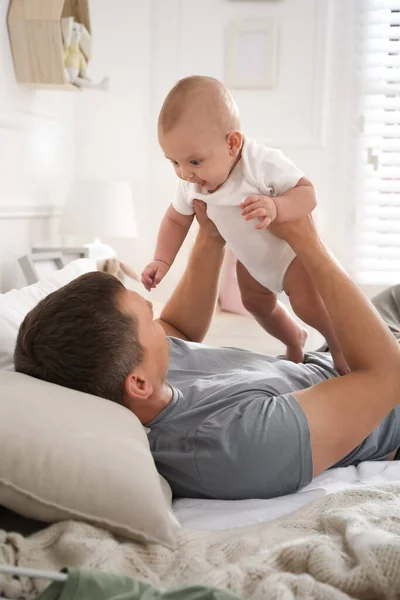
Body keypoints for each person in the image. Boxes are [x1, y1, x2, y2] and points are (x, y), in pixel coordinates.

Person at [14, 202, 400, 500]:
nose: (155, 313)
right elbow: (385, 377)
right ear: (137, 383)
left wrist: (210, 234)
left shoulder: (134, 378)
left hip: (332, 360)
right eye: (147, 320)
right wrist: (308, 241)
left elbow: (179, 327)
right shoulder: (231, 443)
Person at [142, 75, 349, 374]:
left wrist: (277, 206)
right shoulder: (192, 184)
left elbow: (308, 193)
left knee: (308, 306)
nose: (184, 173)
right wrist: (161, 260)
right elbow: (176, 219)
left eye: (194, 162)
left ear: (232, 143)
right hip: (251, 261)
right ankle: (294, 340)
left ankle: (337, 342)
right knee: (256, 305)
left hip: (289, 257)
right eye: (174, 162)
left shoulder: (257, 164)